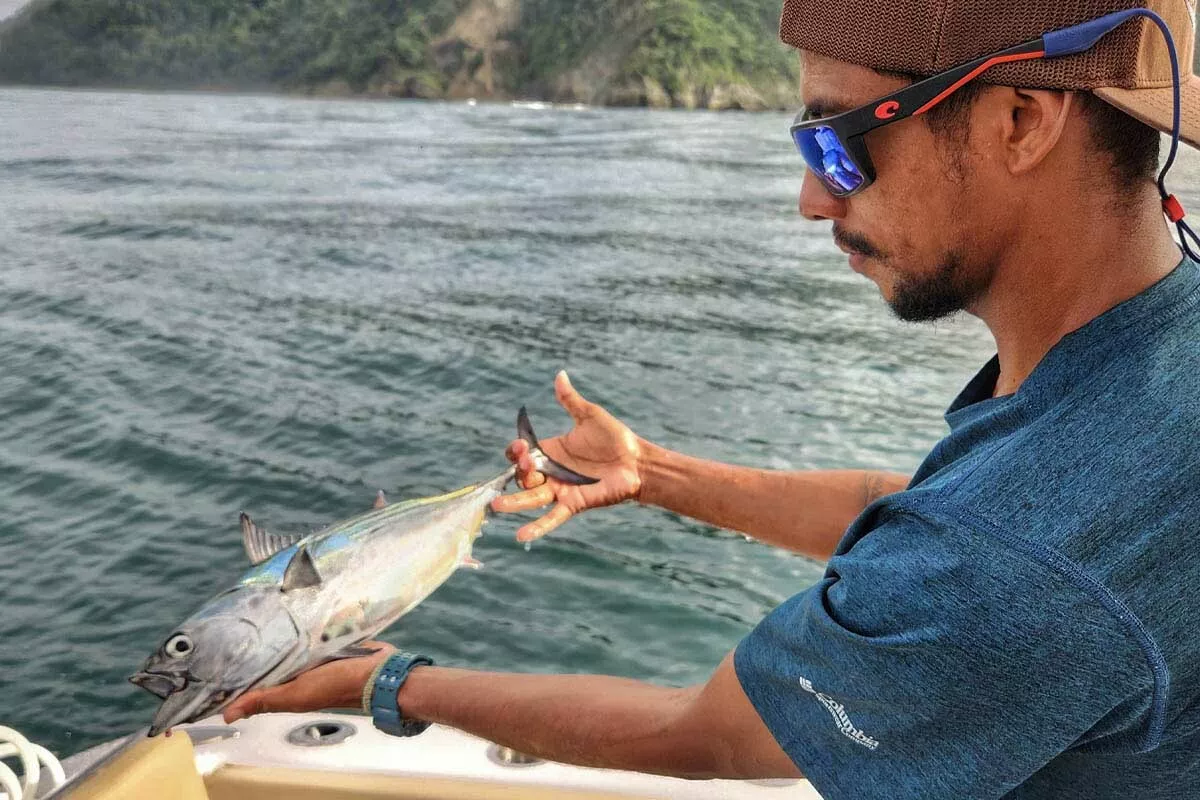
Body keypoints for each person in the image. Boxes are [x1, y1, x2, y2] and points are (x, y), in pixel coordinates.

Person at [223, 1, 1200, 796]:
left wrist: (386, 679)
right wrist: (652, 473)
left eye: (836, 141)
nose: (812, 199)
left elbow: (713, 732)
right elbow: (914, 512)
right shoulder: (1155, 352)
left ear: (1020, 122)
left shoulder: (1015, 557)